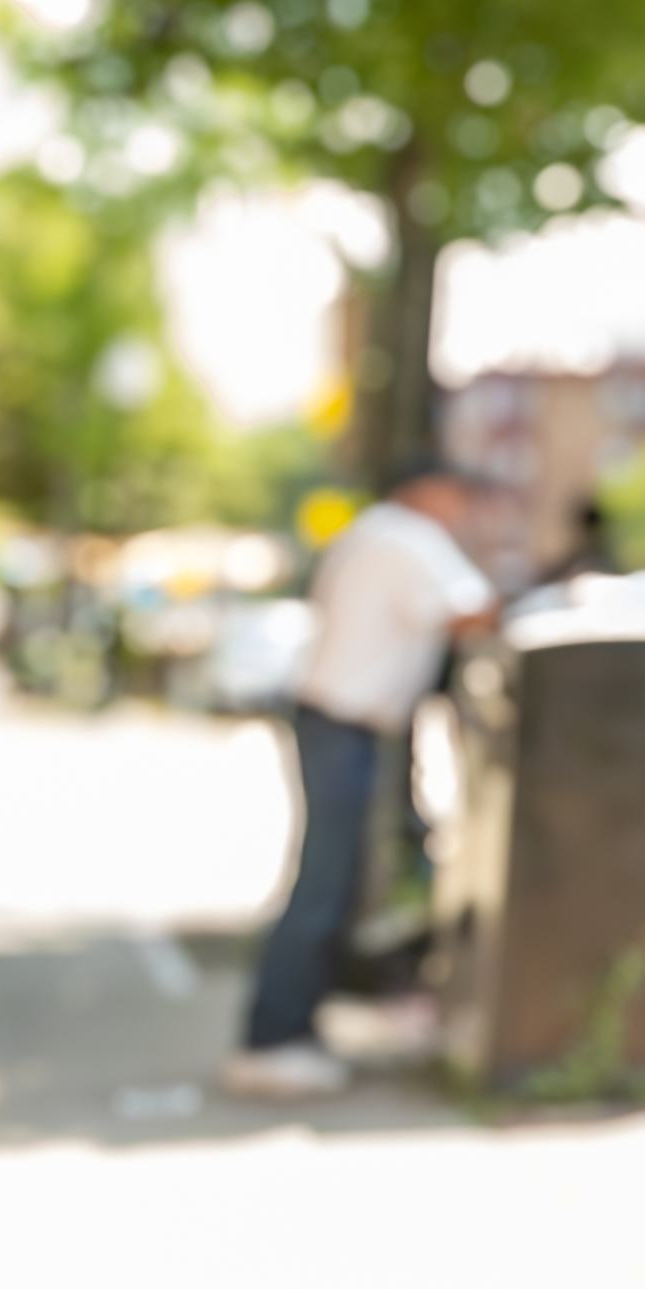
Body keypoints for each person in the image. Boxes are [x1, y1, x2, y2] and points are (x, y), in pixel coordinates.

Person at [219, 461, 497, 1101]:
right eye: (461, 499)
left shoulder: (375, 532)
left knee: (332, 880)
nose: (465, 513)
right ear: (429, 490)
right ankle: (272, 1039)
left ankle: (291, 1030)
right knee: (323, 883)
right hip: (343, 725)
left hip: (337, 721)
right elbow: (473, 611)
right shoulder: (406, 536)